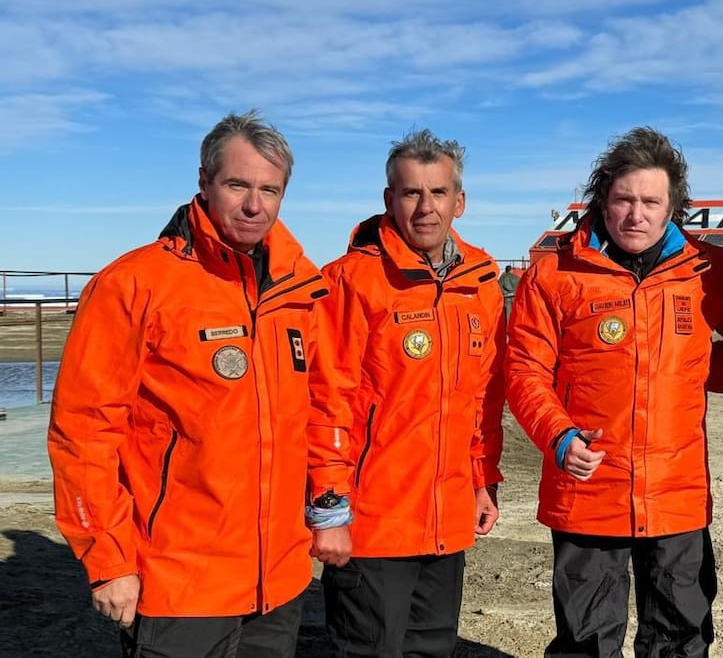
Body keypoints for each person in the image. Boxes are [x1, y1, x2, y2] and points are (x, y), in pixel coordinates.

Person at [47, 111, 352, 657]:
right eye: (238, 184)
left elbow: (322, 409)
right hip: (180, 583)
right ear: (204, 182)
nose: (255, 204)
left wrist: (330, 512)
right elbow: (84, 433)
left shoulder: (299, 290)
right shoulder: (135, 284)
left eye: (270, 189)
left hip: (279, 580)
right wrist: (108, 559)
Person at [506, 127, 723, 658]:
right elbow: (524, 369)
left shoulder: (708, 271)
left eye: (651, 201)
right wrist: (559, 435)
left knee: (680, 639)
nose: (636, 214)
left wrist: (696, 368)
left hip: (676, 497)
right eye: (624, 199)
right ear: (603, 201)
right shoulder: (553, 276)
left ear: (672, 207)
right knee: (586, 642)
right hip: (588, 492)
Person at [311, 128, 506, 656]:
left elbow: (481, 399)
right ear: (388, 200)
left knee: (432, 649)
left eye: (438, 192)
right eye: (411, 192)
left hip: (447, 518)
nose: (425, 207)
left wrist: (481, 479)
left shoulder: (481, 285)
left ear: (459, 201)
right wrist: (330, 510)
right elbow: (328, 400)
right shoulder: (350, 282)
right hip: (373, 524)